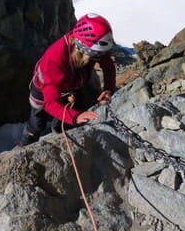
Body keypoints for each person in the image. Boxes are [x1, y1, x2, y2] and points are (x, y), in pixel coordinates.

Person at [19, 13, 116, 146]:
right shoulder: (54, 61)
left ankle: (57, 132)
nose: (100, 57)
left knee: (61, 119)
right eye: (96, 54)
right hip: (43, 91)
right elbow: (50, 103)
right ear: (83, 48)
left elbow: (108, 65)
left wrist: (108, 88)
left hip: (70, 86)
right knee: (37, 123)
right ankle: (25, 144)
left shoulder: (89, 45)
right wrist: (75, 117)